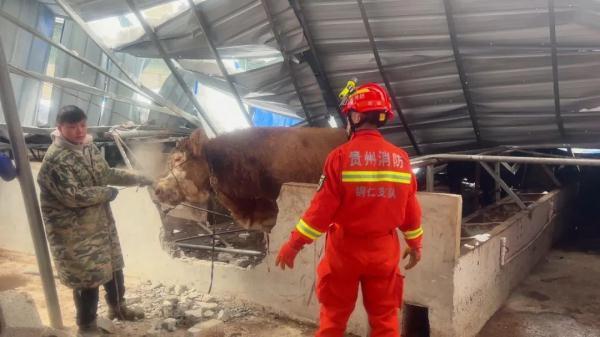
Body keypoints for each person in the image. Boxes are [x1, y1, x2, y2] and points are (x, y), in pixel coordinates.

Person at [275, 82, 423, 337]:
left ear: (355, 116)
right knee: (386, 321)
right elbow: (411, 209)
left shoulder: (340, 157)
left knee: (333, 320)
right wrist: (416, 243)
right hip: (384, 252)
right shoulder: (401, 159)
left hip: (345, 252)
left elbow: (319, 213)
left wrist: (294, 244)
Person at [37, 105, 154, 336]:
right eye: (72, 127)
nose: (79, 131)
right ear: (60, 128)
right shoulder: (55, 160)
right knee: (87, 277)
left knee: (113, 265)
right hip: (73, 232)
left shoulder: (87, 147)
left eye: (82, 125)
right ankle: (87, 326)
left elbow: (106, 173)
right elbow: (72, 196)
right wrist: (106, 193)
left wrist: (140, 178)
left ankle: (118, 309)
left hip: (99, 224)